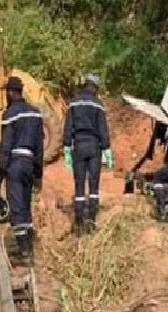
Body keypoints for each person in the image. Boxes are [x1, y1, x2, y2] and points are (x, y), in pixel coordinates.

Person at [0, 76, 43, 265]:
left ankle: (24, 253)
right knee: (26, 205)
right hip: (30, 163)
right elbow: (39, 145)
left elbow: (5, 146)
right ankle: (28, 248)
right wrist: (39, 172)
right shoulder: (35, 113)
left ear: (10, 92)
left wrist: (1, 172)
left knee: (16, 208)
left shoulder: (10, 114)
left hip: (15, 163)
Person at [62, 73, 113, 236]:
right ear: (95, 88)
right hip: (94, 147)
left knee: (78, 186)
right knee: (93, 185)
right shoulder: (98, 104)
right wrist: (107, 149)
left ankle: (78, 224)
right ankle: (91, 222)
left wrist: (67, 147)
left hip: (79, 146)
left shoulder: (73, 103)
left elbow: (68, 127)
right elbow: (103, 129)